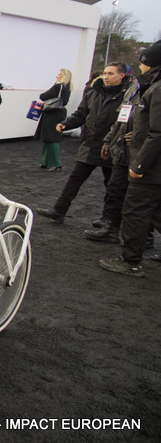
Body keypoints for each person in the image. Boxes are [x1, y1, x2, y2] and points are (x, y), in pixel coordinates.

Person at [36, 63, 133, 225]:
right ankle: (59, 210)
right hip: (90, 143)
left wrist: (115, 141)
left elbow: (126, 122)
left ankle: (107, 218)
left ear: (121, 75)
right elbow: (81, 114)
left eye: (110, 74)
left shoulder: (129, 96)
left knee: (112, 185)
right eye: (105, 73)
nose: (106, 77)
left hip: (111, 147)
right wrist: (66, 124)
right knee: (75, 179)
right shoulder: (93, 93)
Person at [99, 42, 161, 276]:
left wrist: (139, 164)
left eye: (143, 61)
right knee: (155, 212)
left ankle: (130, 261)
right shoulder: (147, 87)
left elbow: (157, 132)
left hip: (149, 167)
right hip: (151, 164)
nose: (140, 65)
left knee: (135, 211)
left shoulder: (155, 89)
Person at [34, 69, 72, 172]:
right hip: (58, 113)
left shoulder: (58, 86)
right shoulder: (67, 87)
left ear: (63, 76)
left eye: (59, 74)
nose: (57, 76)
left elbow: (43, 96)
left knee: (51, 139)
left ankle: (55, 163)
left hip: (52, 114)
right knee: (49, 138)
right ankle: (46, 162)